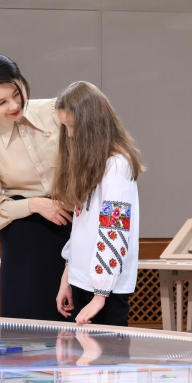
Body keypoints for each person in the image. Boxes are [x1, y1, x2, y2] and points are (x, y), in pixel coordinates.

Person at [0, 54, 73, 321]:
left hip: (76, 226)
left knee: (81, 328)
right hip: (26, 240)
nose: (14, 105)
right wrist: (36, 204)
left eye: (17, 93)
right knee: (28, 330)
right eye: (1, 102)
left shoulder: (55, 111)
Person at [53, 81, 144, 327]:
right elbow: (81, 229)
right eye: (66, 127)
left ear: (92, 125)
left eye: (73, 127)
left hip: (105, 292)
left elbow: (114, 231)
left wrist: (100, 295)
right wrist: (67, 278)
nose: (70, 134)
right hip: (82, 282)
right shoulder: (91, 164)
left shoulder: (117, 166)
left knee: (107, 364)